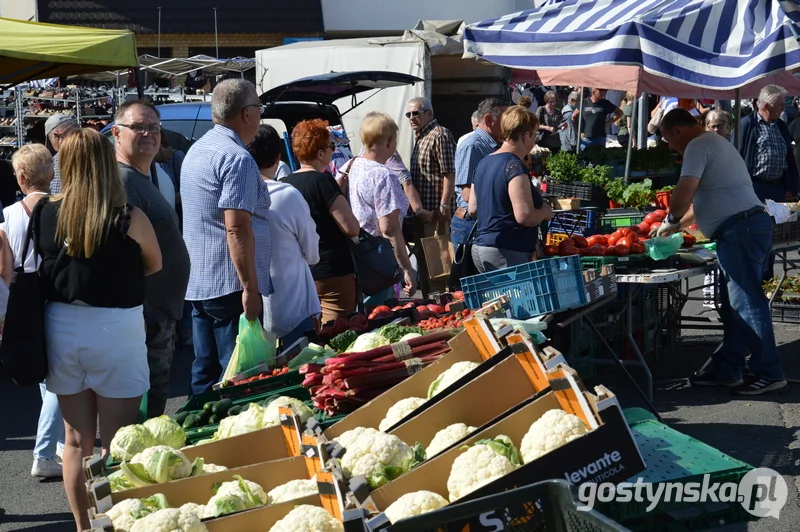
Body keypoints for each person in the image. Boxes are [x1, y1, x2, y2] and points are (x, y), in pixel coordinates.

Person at [33, 128, 162, 530]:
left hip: (62, 325)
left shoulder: (45, 211)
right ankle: (116, 521)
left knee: (75, 441)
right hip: (115, 327)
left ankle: (83, 526)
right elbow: (154, 263)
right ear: (107, 163)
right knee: (118, 441)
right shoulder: (127, 216)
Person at [656, 108, 786, 395]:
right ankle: (729, 369)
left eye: (667, 139)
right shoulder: (714, 143)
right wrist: (677, 225)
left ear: (678, 130)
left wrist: (670, 220)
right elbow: (707, 198)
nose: (670, 146)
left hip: (740, 228)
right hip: (747, 225)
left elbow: (685, 190)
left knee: (747, 302)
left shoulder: (698, 145)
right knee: (734, 304)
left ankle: (769, 371)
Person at [181, 79, 272, 395]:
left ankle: (201, 437)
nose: (261, 115)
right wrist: (250, 288)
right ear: (247, 113)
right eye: (259, 108)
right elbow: (236, 226)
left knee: (205, 373)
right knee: (234, 378)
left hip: (200, 280)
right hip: (229, 283)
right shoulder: (237, 158)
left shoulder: (197, 149)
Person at [112, 100, 190, 417]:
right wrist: (140, 312)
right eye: (138, 127)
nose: (148, 133)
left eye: (154, 127)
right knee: (143, 415)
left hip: (158, 316)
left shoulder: (142, 178)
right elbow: (119, 255)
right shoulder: (124, 183)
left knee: (151, 409)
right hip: (146, 317)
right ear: (116, 133)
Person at [0, 144, 64, 478]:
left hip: (21, 299)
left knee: (45, 374)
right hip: (57, 295)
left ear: (21, 178)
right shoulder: (63, 208)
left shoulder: (8, 215)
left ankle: (57, 448)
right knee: (58, 377)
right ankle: (44, 452)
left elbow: (4, 269)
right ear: (51, 175)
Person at [246, 125, 321, 346]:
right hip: (294, 305)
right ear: (279, 157)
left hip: (252, 307)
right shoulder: (287, 195)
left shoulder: (237, 196)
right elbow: (312, 253)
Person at [283, 119, 360, 322]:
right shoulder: (323, 181)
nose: (332, 151)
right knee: (337, 334)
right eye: (331, 147)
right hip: (332, 270)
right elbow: (351, 228)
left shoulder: (284, 183)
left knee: (310, 334)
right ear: (320, 153)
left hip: (300, 272)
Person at [337, 112, 417, 306]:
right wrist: (407, 268)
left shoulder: (349, 166)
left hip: (353, 258)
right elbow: (389, 229)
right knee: (381, 320)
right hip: (378, 263)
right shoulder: (383, 175)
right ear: (388, 141)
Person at [469, 106, 553, 272]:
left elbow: (472, 209)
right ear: (526, 135)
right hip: (506, 250)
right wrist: (545, 212)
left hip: (481, 248)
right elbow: (525, 216)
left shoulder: (484, 162)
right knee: (516, 298)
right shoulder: (513, 165)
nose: (534, 140)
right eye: (534, 135)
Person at [407, 96, 457, 296]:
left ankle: (444, 306)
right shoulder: (421, 136)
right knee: (427, 263)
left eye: (416, 113)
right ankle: (430, 302)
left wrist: (444, 206)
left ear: (429, 113)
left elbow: (449, 173)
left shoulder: (440, 135)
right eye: (408, 114)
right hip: (424, 214)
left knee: (440, 265)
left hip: (437, 214)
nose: (411, 117)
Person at [739, 85, 799, 203]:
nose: (783, 108)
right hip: (755, 188)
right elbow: (737, 154)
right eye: (780, 105)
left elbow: (789, 156)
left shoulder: (780, 125)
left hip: (778, 188)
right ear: (766, 106)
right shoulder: (748, 124)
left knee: (779, 221)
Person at [701, 109, 734, 308]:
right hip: (710, 210)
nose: (714, 130)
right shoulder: (703, 150)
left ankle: (721, 294)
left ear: (728, 128)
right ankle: (711, 293)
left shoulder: (730, 151)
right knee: (710, 253)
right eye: (710, 126)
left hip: (729, 212)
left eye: (719, 126)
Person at [43, 114, 79, 194]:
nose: (53, 147)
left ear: (57, 136)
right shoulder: (98, 154)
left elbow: (56, 195)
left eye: (51, 141)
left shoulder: (57, 161)